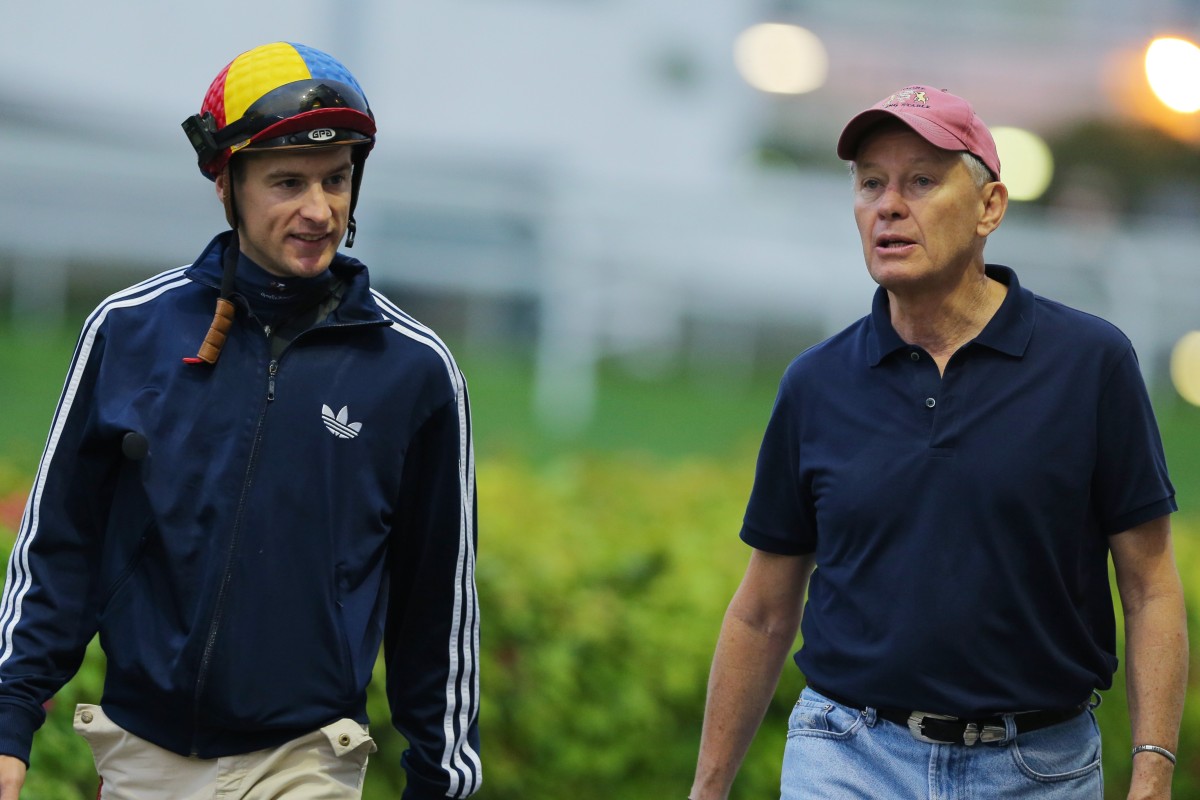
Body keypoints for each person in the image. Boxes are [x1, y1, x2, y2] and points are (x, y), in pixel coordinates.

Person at [0, 41, 480, 800]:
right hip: (140, 756)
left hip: (309, 757)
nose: (319, 209)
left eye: (337, 180)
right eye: (287, 182)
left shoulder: (416, 371)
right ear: (227, 183)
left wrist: (441, 780)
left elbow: (437, 603)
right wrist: (8, 720)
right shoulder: (126, 332)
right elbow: (59, 545)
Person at [689, 85, 1188, 799]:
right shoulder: (816, 383)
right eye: (871, 184)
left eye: (922, 181)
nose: (889, 205)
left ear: (990, 207)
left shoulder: (1091, 364)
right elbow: (763, 609)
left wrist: (1151, 773)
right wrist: (706, 791)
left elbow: (1149, 589)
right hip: (845, 757)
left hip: (1038, 770)